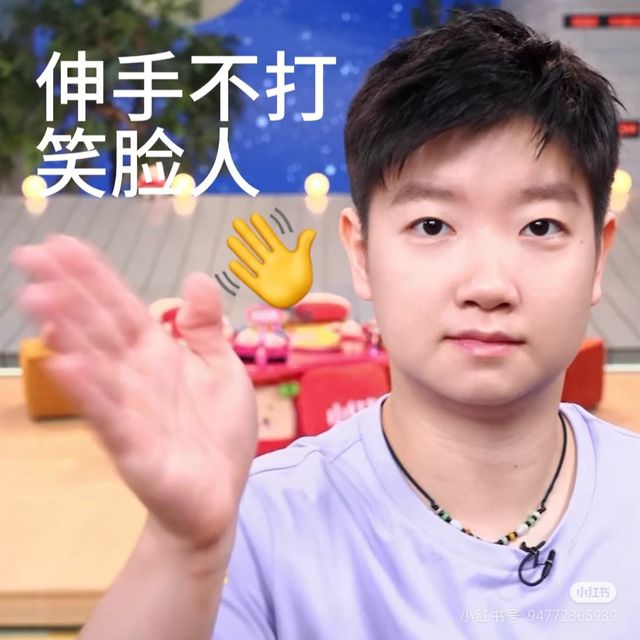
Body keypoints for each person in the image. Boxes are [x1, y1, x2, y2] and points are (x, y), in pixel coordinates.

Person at [11, 7, 640, 639]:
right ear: (362, 254)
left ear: (598, 256)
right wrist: (182, 551)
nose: (488, 285)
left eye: (540, 226)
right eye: (431, 225)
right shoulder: (259, 522)